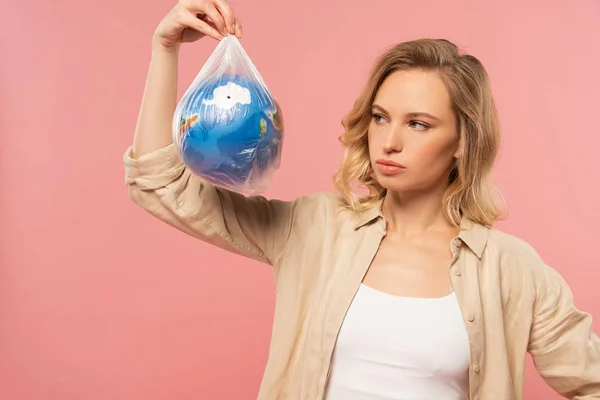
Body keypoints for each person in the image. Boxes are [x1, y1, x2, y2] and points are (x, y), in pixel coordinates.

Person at [123, 0, 600, 399]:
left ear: (461, 142)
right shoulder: (314, 228)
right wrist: (164, 50)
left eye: (418, 124)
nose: (388, 141)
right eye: (379, 117)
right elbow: (160, 184)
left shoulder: (511, 269)